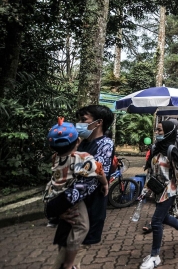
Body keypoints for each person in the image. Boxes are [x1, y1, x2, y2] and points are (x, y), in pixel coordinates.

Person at [51, 105, 115, 269]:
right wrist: (59, 208)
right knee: (67, 258)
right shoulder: (78, 143)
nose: (79, 123)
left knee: (66, 262)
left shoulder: (105, 144)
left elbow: (90, 177)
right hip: (70, 211)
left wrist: (60, 204)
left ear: (98, 122)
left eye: (83, 120)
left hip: (89, 209)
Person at [139, 120, 178, 269]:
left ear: (169, 131)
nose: (157, 133)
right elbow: (152, 171)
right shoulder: (156, 148)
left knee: (156, 221)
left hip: (170, 190)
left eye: (160, 130)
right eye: (157, 130)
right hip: (157, 190)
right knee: (164, 217)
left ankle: (155, 256)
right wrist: (146, 189)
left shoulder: (171, 150)